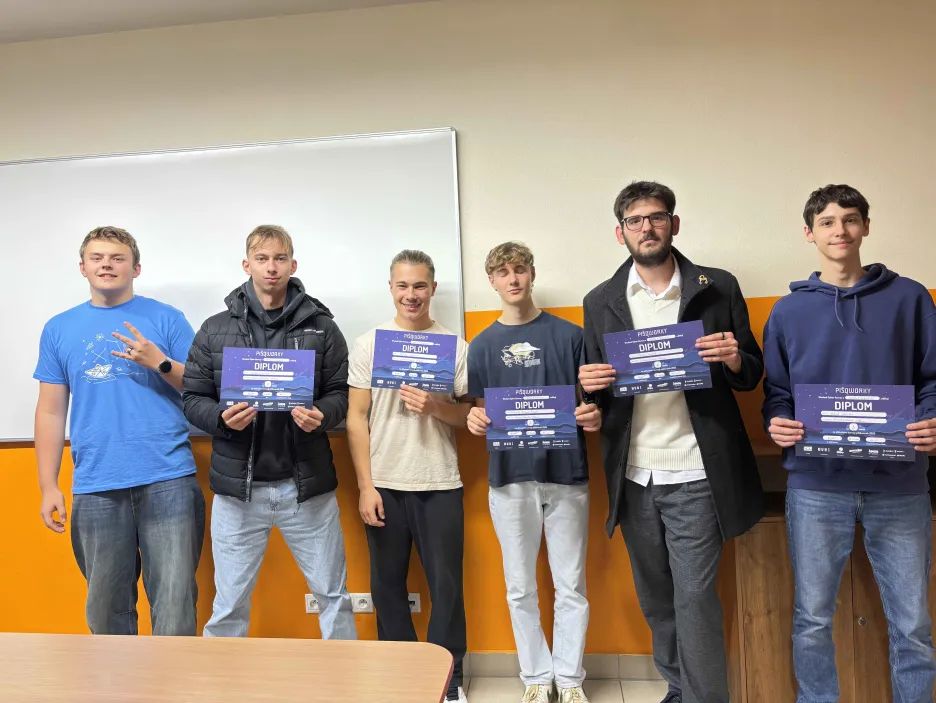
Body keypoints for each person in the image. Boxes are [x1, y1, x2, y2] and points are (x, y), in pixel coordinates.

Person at [579, 181, 764, 703]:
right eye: (635, 220)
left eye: (657, 217)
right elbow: (595, 390)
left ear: (673, 224)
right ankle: (679, 688)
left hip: (697, 469)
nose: (647, 228)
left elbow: (751, 373)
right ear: (620, 232)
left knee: (695, 597)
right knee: (657, 598)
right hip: (635, 474)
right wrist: (587, 392)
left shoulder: (718, 286)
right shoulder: (600, 300)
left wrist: (733, 358)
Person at [763, 183, 936, 702]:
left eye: (850, 219)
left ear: (865, 227)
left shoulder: (911, 298)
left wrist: (931, 418)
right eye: (827, 222)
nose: (840, 230)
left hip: (899, 485)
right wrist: (779, 420)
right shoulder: (787, 312)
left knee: (913, 625)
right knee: (812, 620)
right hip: (816, 486)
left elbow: (932, 380)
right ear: (809, 233)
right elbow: (776, 393)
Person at [183, 224, 355, 640]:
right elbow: (192, 398)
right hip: (238, 492)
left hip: (306, 488)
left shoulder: (322, 327)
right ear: (247, 265)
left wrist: (323, 414)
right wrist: (221, 418)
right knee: (229, 605)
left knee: (333, 596)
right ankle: (222, 676)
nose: (271, 267)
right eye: (262, 259)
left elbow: (341, 393)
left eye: (280, 258)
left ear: (293, 264)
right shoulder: (214, 329)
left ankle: (347, 675)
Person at [34, 225, 205, 635]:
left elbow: (203, 387)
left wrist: (159, 362)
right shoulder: (59, 328)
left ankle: (174, 678)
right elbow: (51, 412)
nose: (107, 265)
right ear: (83, 267)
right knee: (106, 610)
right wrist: (48, 485)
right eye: (97, 258)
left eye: (117, 258)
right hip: (97, 483)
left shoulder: (167, 318)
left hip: (168, 478)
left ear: (136, 268)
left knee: (175, 604)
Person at [466, 241, 600, 703]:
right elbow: (480, 410)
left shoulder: (571, 336)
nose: (513, 279)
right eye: (503, 272)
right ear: (492, 281)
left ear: (532, 274)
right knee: (519, 587)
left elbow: (590, 402)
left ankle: (570, 679)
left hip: (567, 473)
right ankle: (537, 678)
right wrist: (474, 419)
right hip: (509, 478)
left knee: (571, 586)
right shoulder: (481, 345)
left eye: (520, 269)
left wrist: (593, 415)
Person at [346, 249, 470, 703]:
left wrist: (436, 406)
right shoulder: (369, 344)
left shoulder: (455, 346)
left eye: (419, 285)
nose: (411, 294)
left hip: (439, 481)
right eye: (403, 285)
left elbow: (468, 417)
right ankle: (400, 676)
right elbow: (356, 418)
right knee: (387, 586)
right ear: (391, 288)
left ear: (432, 288)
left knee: (447, 587)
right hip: (384, 483)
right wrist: (365, 487)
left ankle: (448, 680)